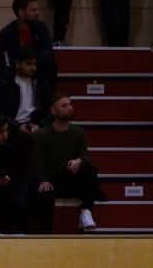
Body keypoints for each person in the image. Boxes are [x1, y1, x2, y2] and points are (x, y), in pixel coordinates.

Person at [31, 96, 103, 232]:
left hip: (71, 178)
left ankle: (86, 211)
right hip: (52, 180)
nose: (69, 108)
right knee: (41, 193)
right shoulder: (41, 135)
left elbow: (85, 156)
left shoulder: (78, 132)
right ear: (53, 111)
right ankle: (44, 234)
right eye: (64, 106)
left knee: (89, 169)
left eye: (70, 104)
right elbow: (37, 161)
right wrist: (43, 179)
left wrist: (79, 161)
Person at [0, 0, 57, 88]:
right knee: (5, 74)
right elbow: (5, 58)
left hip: (37, 68)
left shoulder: (41, 28)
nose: (37, 13)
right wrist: (21, 66)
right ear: (21, 12)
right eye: (33, 10)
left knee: (50, 64)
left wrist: (31, 64)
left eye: (37, 9)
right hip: (16, 70)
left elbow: (47, 50)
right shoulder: (7, 33)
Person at [0, 50, 52, 137]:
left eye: (35, 64)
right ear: (17, 64)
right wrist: (17, 126)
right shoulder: (4, 84)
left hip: (34, 127)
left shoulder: (40, 84)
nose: (33, 68)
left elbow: (48, 110)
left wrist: (39, 125)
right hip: (11, 127)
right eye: (28, 64)